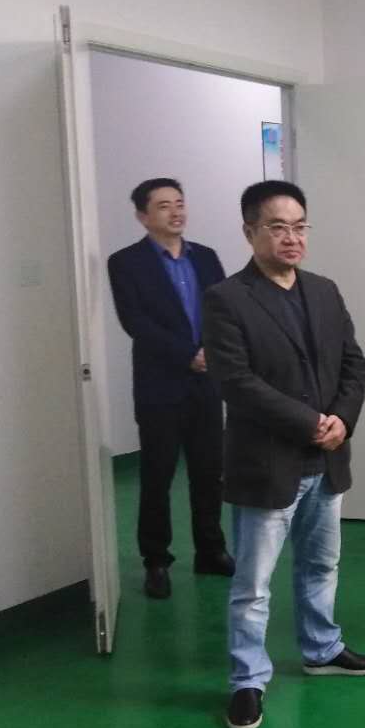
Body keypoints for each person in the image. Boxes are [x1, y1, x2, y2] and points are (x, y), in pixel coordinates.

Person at [203, 180, 365, 728]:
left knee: (321, 565)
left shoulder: (324, 291)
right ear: (249, 232)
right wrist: (310, 423)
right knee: (253, 586)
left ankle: (321, 649)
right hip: (268, 462)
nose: (292, 237)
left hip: (326, 462)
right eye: (278, 227)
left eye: (300, 226)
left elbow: (353, 362)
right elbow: (236, 382)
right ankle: (247, 680)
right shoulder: (227, 299)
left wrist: (342, 420)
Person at [107, 178, 232, 599]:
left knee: (208, 473)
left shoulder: (206, 257)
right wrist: (187, 355)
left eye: (179, 203)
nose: (176, 212)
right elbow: (135, 322)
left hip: (207, 382)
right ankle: (156, 561)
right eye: (163, 206)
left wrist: (212, 351)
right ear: (143, 216)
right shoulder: (125, 262)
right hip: (160, 384)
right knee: (157, 475)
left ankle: (210, 550)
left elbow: (223, 310)